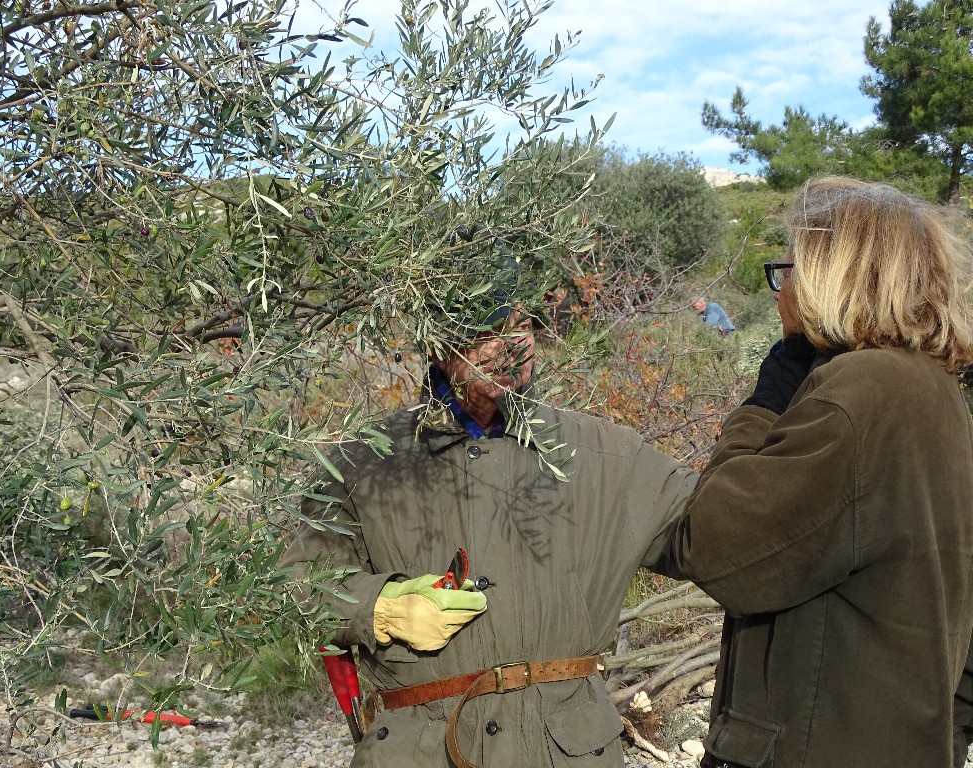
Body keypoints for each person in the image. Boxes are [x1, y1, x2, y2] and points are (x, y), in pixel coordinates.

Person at [282, 277, 698, 767]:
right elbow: (295, 589)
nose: (513, 344)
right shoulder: (361, 466)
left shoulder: (607, 455)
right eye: (489, 330)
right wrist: (382, 608)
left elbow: (720, 529)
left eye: (522, 324)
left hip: (568, 753)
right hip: (419, 753)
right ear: (438, 346)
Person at [647, 176, 973, 768]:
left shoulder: (859, 393)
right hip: (891, 734)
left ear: (838, 274)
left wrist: (764, 403)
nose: (779, 291)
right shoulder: (933, 387)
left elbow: (715, 544)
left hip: (815, 747)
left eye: (791, 269)